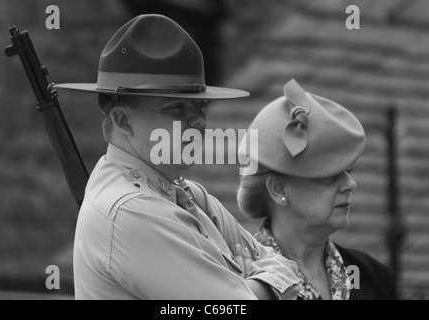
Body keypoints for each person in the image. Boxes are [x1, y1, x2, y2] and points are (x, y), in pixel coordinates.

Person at [54, 14, 301, 300]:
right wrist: (262, 285)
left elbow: (286, 265)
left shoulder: (191, 195)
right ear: (123, 120)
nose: (198, 119)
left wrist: (253, 285)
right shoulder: (132, 211)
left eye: (200, 104)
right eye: (175, 108)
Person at [237, 79, 396, 300]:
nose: (350, 184)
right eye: (330, 176)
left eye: (349, 171)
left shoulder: (373, 276)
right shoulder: (238, 283)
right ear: (278, 188)